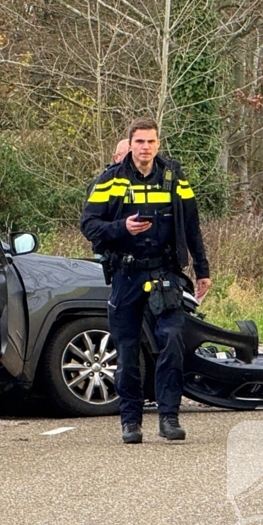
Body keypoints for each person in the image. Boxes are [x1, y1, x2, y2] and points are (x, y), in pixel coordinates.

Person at [81, 117, 212, 444]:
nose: (145, 148)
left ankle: (169, 418)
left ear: (158, 143)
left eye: (151, 142)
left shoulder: (174, 178)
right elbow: (89, 225)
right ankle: (131, 422)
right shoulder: (110, 180)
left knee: (170, 343)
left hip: (165, 273)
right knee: (126, 351)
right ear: (130, 144)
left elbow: (192, 226)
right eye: (139, 142)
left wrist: (203, 269)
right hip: (126, 274)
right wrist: (121, 228)